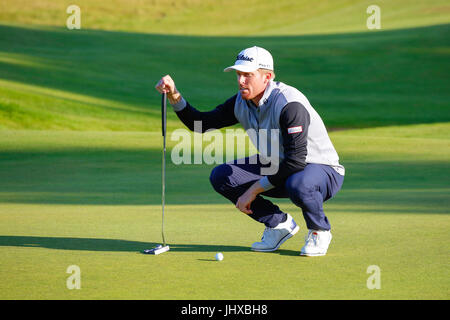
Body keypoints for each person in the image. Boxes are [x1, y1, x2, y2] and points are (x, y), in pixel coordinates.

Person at [155, 46, 345, 256]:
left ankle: (319, 230)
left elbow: (296, 161)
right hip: (280, 165)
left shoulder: (289, 104)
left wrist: (253, 190)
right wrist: (174, 95)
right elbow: (200, 124)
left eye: (248, 75)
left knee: (298, 183)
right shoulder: (241, 102)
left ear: (267, 77)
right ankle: (278, 225)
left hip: (321, 169)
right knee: (222, 176)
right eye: (238, 75)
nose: (241, 81)